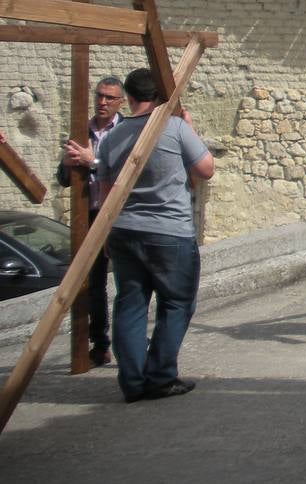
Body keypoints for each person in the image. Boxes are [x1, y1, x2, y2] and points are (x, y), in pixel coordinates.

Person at [96, 68, 214, 403]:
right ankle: (160, 376)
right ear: (161, 96)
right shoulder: (173, 128)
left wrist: (106, 236)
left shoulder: (112, 137)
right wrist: (188, 129)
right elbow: (206, 169)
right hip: (168, 232)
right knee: (177, 303)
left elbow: (106, 194)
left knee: (129, 305)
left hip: (124, 230)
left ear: (128, 98)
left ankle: (132, 381)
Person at [56, 75, 125, 367]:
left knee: (128, 281)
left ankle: (130, 342)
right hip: (91, 214)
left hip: (121, 215)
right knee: (93, 283)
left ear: (121, 102)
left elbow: (126, 175)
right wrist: (67, 164)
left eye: (109, 98)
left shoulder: (126, 131)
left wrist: (92, 161)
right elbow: (62, 180)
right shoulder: (80, 130)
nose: (102, 102)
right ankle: (100, 342)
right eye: (99, 95)